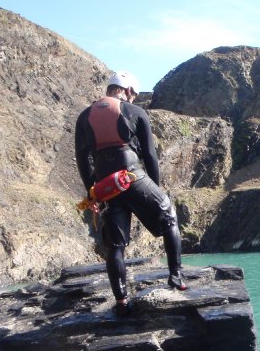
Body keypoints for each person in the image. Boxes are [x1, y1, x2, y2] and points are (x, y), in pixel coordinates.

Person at [75, 70, 187, 316]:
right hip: (132, 176)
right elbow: (149, 154)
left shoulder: (84, 117)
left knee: (115, 244)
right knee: (169, 216)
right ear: (127, 90)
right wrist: (156, 188)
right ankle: (176, 277)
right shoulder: (135, 112)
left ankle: (122, 300)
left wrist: (92, 192)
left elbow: (82, 159)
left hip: (106, 184)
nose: (134, 98)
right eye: (133, 93)